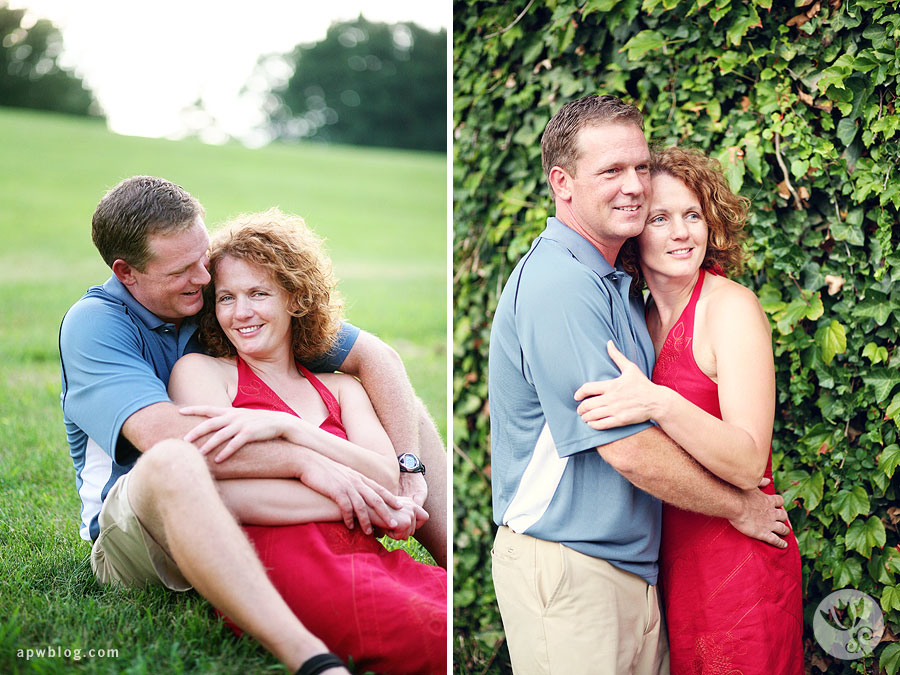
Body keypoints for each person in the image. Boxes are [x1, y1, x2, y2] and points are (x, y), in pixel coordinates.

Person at [58, 176, 446, 674]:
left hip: (252, 497)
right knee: (176, 461)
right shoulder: (96, 324)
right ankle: (312, 662)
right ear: (127, 273)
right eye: (183, 269)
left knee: (399, 403)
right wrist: (305, 459)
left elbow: (376, 358)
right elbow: (173, 440)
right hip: (141, 525)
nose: (203, 276)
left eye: (203, 257)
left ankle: (451, 561)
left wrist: (406, 471)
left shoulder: (214, 300)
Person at [487, 94, 790, 675]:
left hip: (644, 567)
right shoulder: (563, 285)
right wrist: (740, 509)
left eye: (639, 168)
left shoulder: (620, 292)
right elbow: (626, 448)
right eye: (611, 171)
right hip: (574, 566)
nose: (632, 185)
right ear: (563, 182)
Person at [166, 210, 446, 673]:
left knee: (443, 609)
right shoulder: (201, 373)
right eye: (227, 298)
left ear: (295, 298)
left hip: (365, 551)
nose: (241, 313)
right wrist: (364, 501)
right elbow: (213, 485)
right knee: (427, 637)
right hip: (283, 560)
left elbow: (387, 476)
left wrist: (291, 429)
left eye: (259, 294)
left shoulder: (341, 387)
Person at [573, 147, 803, 673]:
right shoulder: (638, 315)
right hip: (668, 559)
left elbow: (749, 463)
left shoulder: (730, 309)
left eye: (693, 215)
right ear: (633, 230)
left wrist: (659, 401)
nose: (682, 233)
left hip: (739, 555)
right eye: (660, 218)